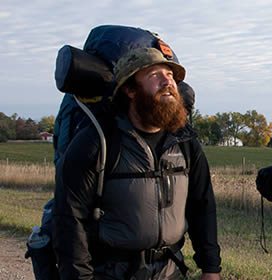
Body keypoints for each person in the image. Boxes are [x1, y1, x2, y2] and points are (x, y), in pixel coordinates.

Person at [52, 47, 222, 280]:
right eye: (155, 75)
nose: (168, 81)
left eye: (171, 75)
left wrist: (211, 268)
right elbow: (69, 219)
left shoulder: (184, 141)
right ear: (130, 89)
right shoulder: (98, 142)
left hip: (170, 271)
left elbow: (202, 206)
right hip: (112, 273)